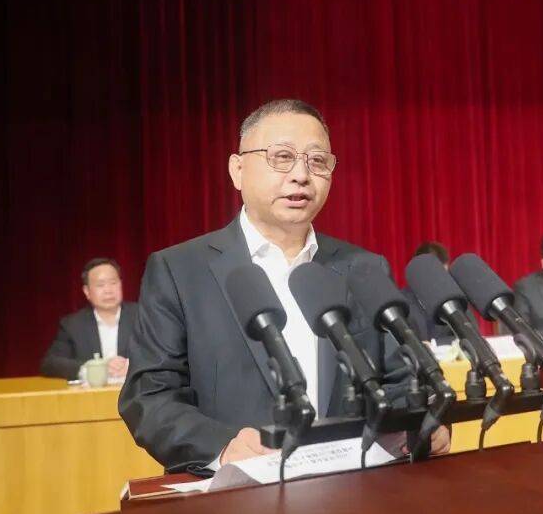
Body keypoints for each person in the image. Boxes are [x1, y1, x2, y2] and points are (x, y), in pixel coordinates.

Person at [119, 100, 449, 475]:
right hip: (231, 497)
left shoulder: (362, 268)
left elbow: (401, 381)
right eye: (282, 157)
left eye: (317, 161)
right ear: (238, 170)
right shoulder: (180, 270)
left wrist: (421, 423)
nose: (301, 175)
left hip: (351, 490)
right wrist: (223, 447)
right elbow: (150, 397)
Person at [40, 258, 137, 380]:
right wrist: (94, 368)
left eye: (113, 283)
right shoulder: (72, 325)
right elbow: (49, 364)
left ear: (121, 284)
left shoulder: (143, 316)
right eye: (100, 285)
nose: (108, 291)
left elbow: (159, 354)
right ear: (87, 292)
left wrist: (135, 366)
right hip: (93, 391)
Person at [402, 241, 457, 344]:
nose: (440, 281)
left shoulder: (452, 299)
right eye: (435, 276)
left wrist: (434, 345)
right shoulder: (401, 305)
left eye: (444, 275)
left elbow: (467, 337)